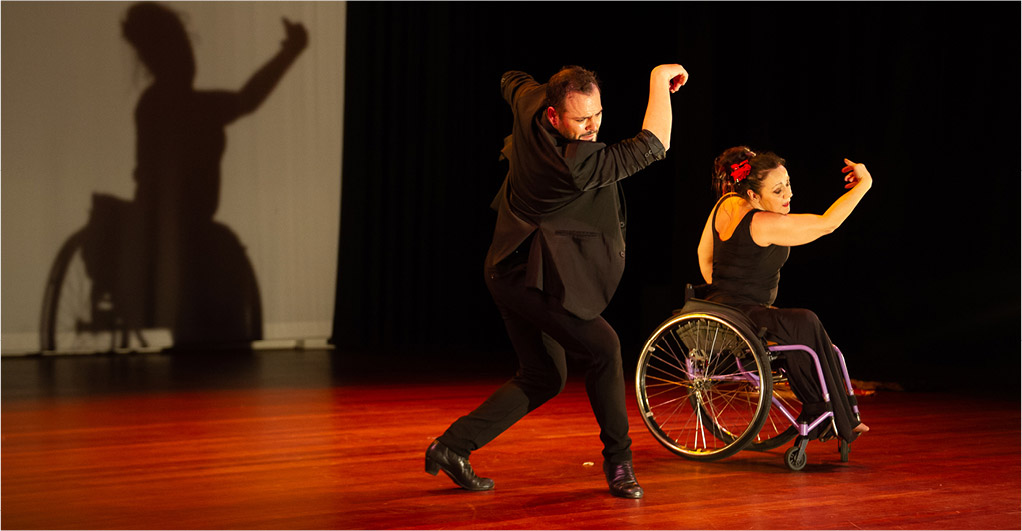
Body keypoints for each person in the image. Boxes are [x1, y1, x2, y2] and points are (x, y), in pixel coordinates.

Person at [425, 64, 689, 499]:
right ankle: (620, 463)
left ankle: (451, 447)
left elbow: (510, 78)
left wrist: (513, 80)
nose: (592, 128)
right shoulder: (569, 167)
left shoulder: (531, 98)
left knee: (543, 375)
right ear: (552, 116)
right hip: (528, 275)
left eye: (597, 115)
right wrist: (658, 78)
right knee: (606, 348)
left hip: (509, 264)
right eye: (580, 119)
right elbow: (654, 144)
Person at [696, 145, 872, 443]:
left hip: (724, 307)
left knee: (801, 328)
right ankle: (827, 413)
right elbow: (827, 224)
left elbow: (704, 255)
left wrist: (726, 286)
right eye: (777, 191)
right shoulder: (763, 223)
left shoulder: (725, 204)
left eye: (788, 184)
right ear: (753, 195)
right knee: (805, 320)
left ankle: (830, 413)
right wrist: (865, 184)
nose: (788, 195)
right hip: (742, 314)